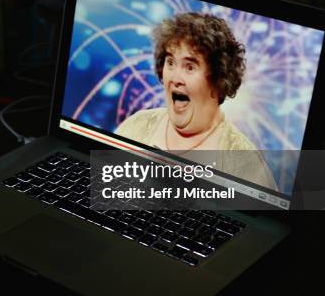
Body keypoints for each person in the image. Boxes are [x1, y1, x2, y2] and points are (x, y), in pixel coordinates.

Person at [115, 12, 278, 191]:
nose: (175, 77)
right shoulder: (136, 127)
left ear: (218, 80)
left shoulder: (244, 163)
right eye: (170, 62)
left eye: (189, 67)